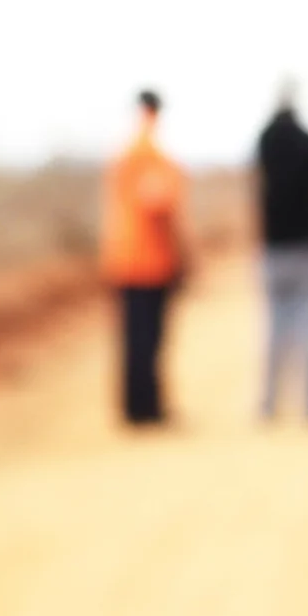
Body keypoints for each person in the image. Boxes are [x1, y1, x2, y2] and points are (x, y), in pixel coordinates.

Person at [253, 80, 308, 424]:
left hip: (273, 245)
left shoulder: (265, 139)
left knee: (273, 326)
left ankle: (268, 404)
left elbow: (256, 183)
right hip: (307, 245)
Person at [99, 88, 189, 427]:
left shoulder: (124, 152)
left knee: (135, 337)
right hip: (148, 262)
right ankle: (145, 408)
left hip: (124, 259)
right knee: (147, 337)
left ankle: (137, 407)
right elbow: (158, 204)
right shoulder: (148, 154)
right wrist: (181, 251)